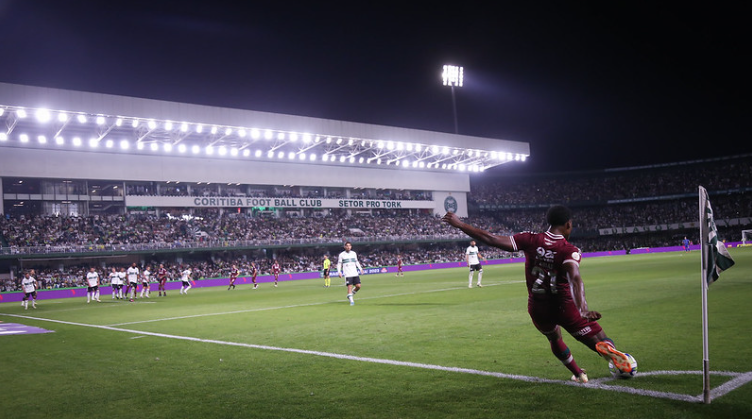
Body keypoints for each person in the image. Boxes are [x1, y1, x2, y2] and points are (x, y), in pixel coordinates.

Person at [442, 206, 634, 383]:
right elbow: (575, 278)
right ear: (568, 224)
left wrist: (460, 224)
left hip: (538, 307)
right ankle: (610, 353)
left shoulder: (530, 239)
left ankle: (578, 373)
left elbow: (491, 238)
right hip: (564, 306)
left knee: (554, 338)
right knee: (600, 338)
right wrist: (583, 309)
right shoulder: (569, 250)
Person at [337, 241, 363, 306]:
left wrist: (360, 268)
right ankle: (351, 301)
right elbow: (339, 264)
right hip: (348, 273)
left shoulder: (354, 253)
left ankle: (351, 295)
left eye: (349, 246)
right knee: (349, 286)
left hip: (355, 272)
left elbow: (356, 262)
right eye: (347, 246)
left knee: (358, 286)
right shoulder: (341, 255)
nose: (348, 247)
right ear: (345, 247)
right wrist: (339, 272)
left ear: (351, 247)